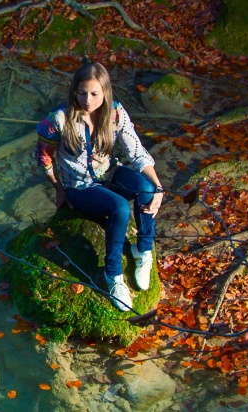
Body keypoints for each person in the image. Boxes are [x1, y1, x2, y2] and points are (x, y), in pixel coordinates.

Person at [34, 62, 164, 311]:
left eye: (94, 93)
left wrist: (158, 187)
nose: (88, 100)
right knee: (119, 207)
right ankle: (113, 274)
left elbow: (136, 151)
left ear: (105, 92)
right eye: (82, 92)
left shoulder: (115, 113)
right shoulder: (56, 120)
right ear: (74, 91)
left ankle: (142, 250)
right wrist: (59, 188)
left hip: (110, 174)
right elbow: (44, 158)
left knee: (145, 189)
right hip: (80, 186)